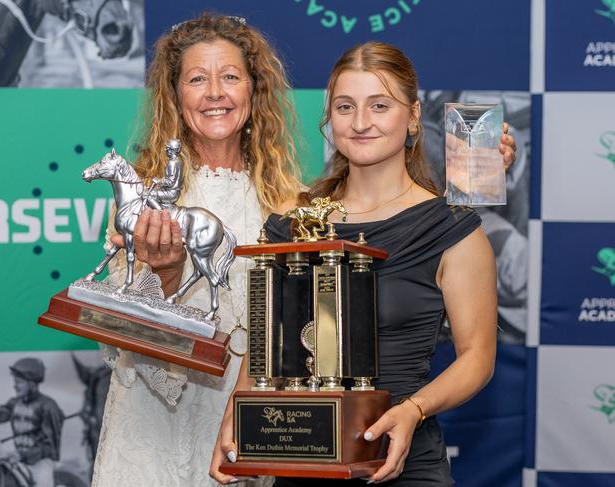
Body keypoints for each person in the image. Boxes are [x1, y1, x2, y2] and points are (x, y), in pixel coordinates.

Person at [211, 41, 517, 486]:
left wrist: (412, 411)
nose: (360, 123)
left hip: (404, 464)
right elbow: (266, 347)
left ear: (412, 117)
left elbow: (477, 358)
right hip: (303, 462)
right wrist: (233, 419)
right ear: (328, 120)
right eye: (345, 106)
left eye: (379, 105)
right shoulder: (293, 224)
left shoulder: (451, 229)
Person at [91, 13, 301, 487]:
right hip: (151, 430)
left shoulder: (292, 203)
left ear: (254, 89)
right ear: (175, 94)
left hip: (243, 422)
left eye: (230, 77)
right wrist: (165, 276)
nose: (214, 93)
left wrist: (473, 165)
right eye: (197, 79)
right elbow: (118, 333)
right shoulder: (145, 199)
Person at [0, 357, 64, 487]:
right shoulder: (14, 403)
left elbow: (51, 448)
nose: (14, 385)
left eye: (18, 382)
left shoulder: (49, 407)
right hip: (18, 458)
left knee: (42, 482)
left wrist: (24, 455)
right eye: (14, 381)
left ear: (32, 383)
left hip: (40, 463)